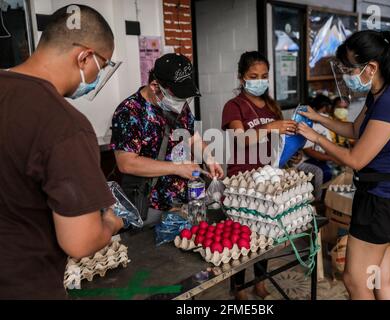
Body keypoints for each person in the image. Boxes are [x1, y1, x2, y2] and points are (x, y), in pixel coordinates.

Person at [0, 5, 124, 299]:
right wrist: (109, 223)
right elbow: (80, 242)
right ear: (84, 56)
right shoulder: (63, 124)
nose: (99, 76)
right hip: (26, 287)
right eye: (102, 65)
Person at [297, 30, 390, 300]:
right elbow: (354, 129)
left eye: (348, 68)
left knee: (354, 279)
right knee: (381, 278)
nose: (344, 76)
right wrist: (318, 118)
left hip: (382, 203)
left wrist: (315, 137)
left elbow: (356, 159)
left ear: (371, 67)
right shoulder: (382, 92)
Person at [222, 51, 297, 300]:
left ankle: (260, 282)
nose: (259, 80)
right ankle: (239, 287)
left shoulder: (273, 106)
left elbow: (278, 144)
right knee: (242, 238)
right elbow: (241, 140)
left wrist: (291, 154)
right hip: (241, 181)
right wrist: (269, 127)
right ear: (241, 78)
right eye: (253, 76)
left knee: (266, 234)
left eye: (264, 76)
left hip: (267, 179)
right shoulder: (234, 106)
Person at [112, 53, 223, 220]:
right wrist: (177, 167)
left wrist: (209, 158)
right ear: (155, 86)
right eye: (176, 96)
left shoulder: (179, 106)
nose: (182, 102)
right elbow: (126, 163)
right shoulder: (129, 112)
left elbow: (193, 137)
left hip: (186, 203)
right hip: (151, 206)